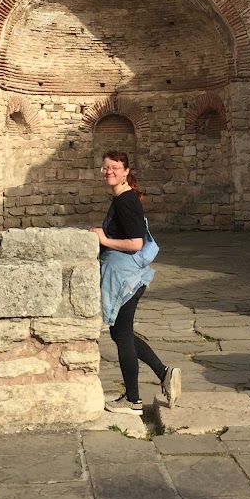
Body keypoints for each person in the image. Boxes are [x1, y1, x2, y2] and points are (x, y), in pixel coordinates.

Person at [90, 150, 181, 416]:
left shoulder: (125, 200)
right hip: (128, 277)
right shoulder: (121, 197)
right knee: (122, 334)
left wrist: (104, 240)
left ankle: (133, 400)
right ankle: (164, 374)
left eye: (115, 167)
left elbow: (135, 243)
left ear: (126, 171)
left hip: (126, 279)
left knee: (122, 335)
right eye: (106, 167)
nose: (109, 172)